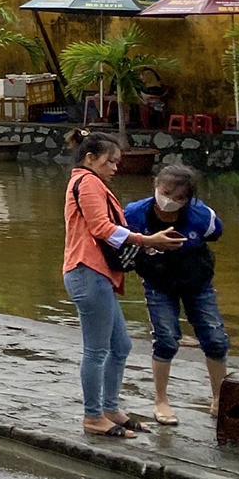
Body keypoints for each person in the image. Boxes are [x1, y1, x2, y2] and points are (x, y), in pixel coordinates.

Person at [62, 131, 183, 438]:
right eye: (110, 161)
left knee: (121, 346)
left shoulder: (91, 182)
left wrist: (144, 244)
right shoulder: (87, 182)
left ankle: (110, 408)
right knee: (97, 350)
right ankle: (93, 416)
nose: (116, 167)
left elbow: (108, 229)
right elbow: (102, 228)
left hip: (98, 273)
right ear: (91, 159)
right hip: (87, 271)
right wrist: (145, 239)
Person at [123, 163, 230, 425]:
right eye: (166, 192)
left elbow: (215, 233)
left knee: (215, 338)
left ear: (188, 199)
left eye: (179, 198)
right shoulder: (135, 214)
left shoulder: (201, 215)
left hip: (197, 282)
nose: (170, 201)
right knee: (166, 339)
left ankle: (219, 399)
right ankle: (161, 400)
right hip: (158, 283)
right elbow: (119, 238)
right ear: (156, 186)